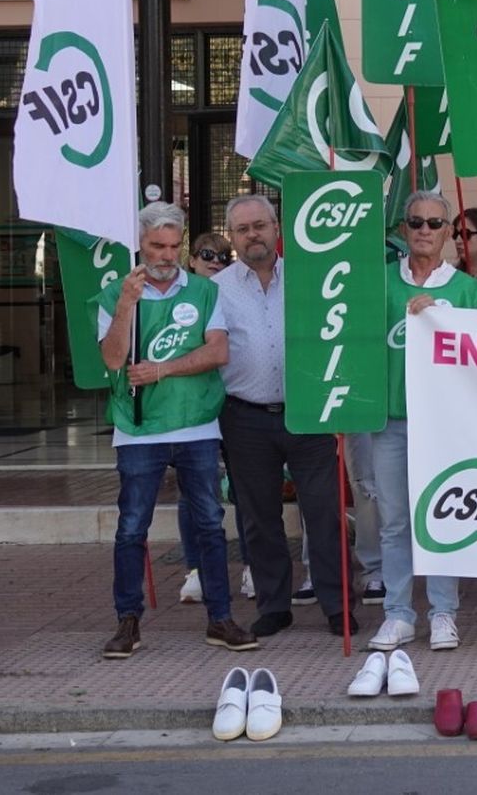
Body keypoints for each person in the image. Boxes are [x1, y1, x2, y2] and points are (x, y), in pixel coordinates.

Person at [96, 202, 255, 658]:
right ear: (140, 245)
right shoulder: (115, 294)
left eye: (172, 246)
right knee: (131, 528)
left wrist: (163, 370)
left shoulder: (205, 292)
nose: (165, 255)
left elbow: (218, 351)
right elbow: (111, 359)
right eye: (155, 246)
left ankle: (220, 618)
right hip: (138, 428)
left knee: (208, 523)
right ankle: (128, 621)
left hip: (197, 425)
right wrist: (127, 304)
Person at [214, 195, 355, 639]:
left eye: (260, 225)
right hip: (245, 416)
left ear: (278, 227)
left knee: (325, 514)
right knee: (258, 517)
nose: (253, 234)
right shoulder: (216, 289)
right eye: (243, 229)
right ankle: (274, 606)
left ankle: (337, 605)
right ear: (232, 237)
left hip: (309, 412)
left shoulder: (313, 277)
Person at [367, 190, 477, 652]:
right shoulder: (377, 282)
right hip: (390, 421)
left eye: (434, 224)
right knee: (395, 522)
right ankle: (399, 613)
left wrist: (443, 317)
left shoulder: (468, 291)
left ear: (447, 233)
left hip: (444, 425)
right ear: (404, 229)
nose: (424, 230)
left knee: (441, 518)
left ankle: (443, 613)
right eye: (415, 222)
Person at [178, 232, 255, 605]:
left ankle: (251, 565)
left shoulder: (238, 292)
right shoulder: (178, 297)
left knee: (246, 488)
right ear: (190, 259)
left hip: (237, 401)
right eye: (206, 254)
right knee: (196, 490)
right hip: (195, 405)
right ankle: (196, 569)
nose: (215, 260)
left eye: (225, 255)